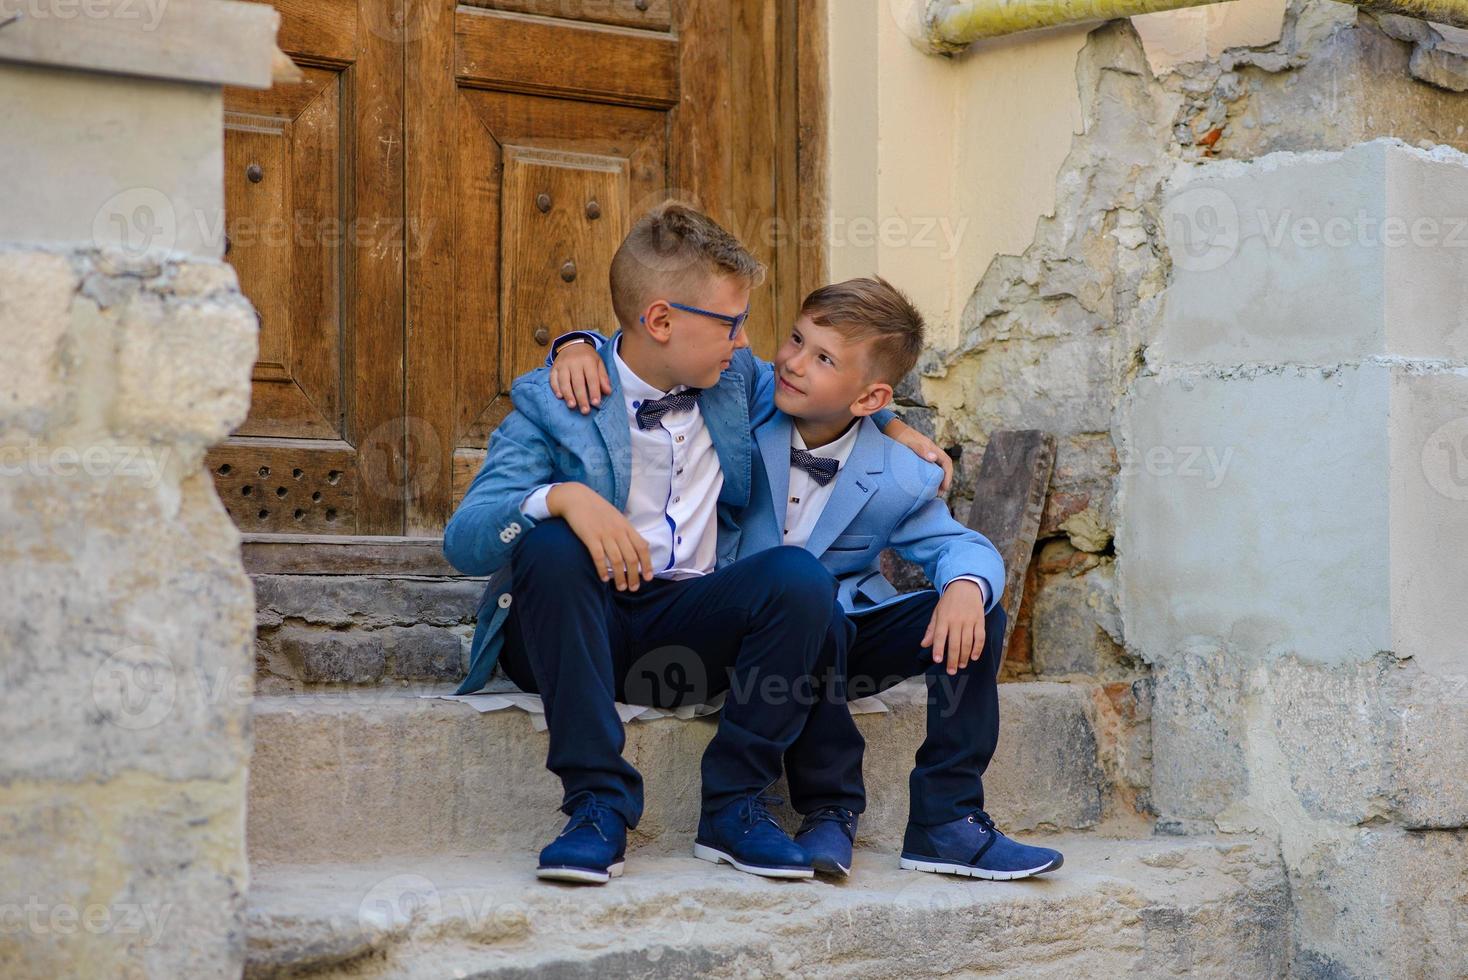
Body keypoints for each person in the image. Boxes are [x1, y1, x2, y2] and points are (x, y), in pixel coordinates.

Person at [444, 205, 953, 885]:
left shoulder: (734, 383)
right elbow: (467, 540)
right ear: (660, 322)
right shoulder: (554, 400)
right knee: (551, 548)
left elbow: (835, 386)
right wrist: (562, 498)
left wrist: (893, 425)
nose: (747, 342)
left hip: (688, 628)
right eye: (731, 323)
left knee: (798, 578)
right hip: (574, 632)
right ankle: (595, 806)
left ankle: (736, 808)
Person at [548, 276, 1065, 881]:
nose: (792, 362)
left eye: (822, 358)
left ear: (870, 398)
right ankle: (824, 810)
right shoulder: (742, 406)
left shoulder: (900, 474)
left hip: (841, 642)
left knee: (979, 611)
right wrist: (574, 344)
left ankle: (946, 819)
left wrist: (963, 589)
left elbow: (961, 547)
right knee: (803, 594)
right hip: (740, 629)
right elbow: (654, 354)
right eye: (796, 339)